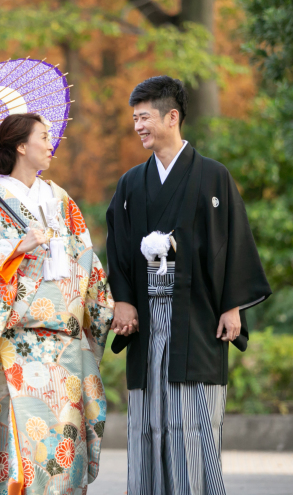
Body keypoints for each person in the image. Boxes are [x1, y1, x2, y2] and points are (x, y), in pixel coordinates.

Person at [106, 77, 272, 495]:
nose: (138, 126)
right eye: (135, 118)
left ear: (172, 117)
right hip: (146, 317)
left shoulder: (214, 177)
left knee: (193, 422)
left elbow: (234, 243)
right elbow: (119, 247)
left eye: (144, 117)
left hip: (197, 318)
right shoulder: (130, 184)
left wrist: (233, 306)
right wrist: (122, 301)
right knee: (149, 423)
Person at [0, 113, 114, 495]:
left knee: (67, 454)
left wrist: (105, 309)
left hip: (66, 348)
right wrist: (17, 246)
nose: (51, 144)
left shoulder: (61, 199)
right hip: (20, 348)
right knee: (23, 457)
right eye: (44, 137)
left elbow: (88, 260)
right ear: (21, 146)